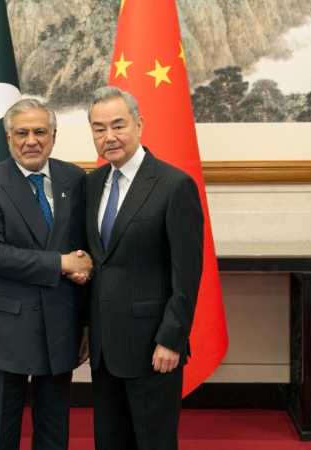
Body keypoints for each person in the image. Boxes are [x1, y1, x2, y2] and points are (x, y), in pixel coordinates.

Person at [0, 98, 92, 450]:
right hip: (6, 327)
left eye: (40, 132)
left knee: (54, 432)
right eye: (22, 133)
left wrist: (85, 272)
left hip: (61, 323)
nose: (31, 141)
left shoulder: (75, 178)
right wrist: (62, 263)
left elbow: (84, 245)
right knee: (1, 436)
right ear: (8, 138)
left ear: (53, 135)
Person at [84, 86, 204, 449]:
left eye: (118, 125)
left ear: (139, 125)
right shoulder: (91, 184)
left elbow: (187, 275)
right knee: (109, 441)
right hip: (104, 348)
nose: (109, 136)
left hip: (152, 348)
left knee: (154, 442)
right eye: (99, 128)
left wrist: (171, 339)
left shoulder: (174, 185)